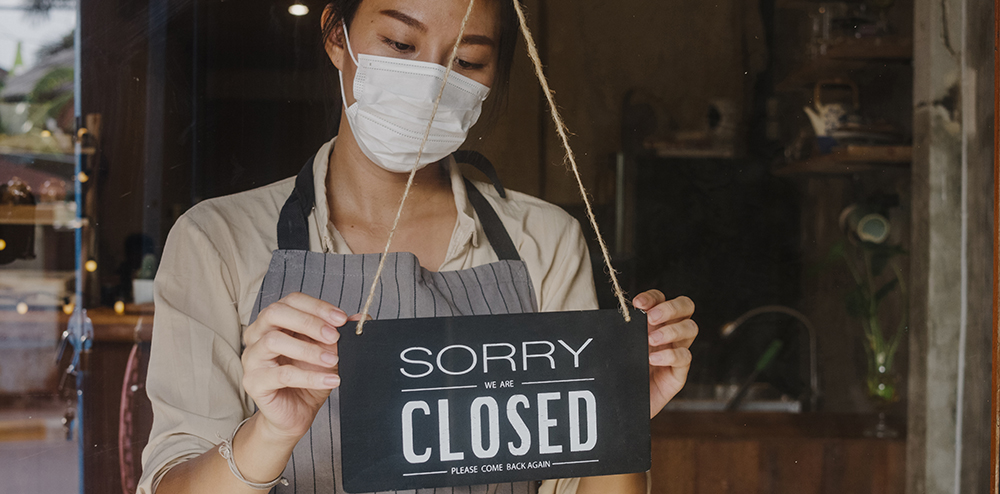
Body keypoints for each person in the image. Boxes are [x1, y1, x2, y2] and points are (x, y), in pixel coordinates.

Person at [138, 0, 698, 493]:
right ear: (337, 37)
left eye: (468, 62)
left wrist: (619, 417)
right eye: (401, 43)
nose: (431, 84)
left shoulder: (546, 240)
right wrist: (272, 432)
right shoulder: (216, 240)